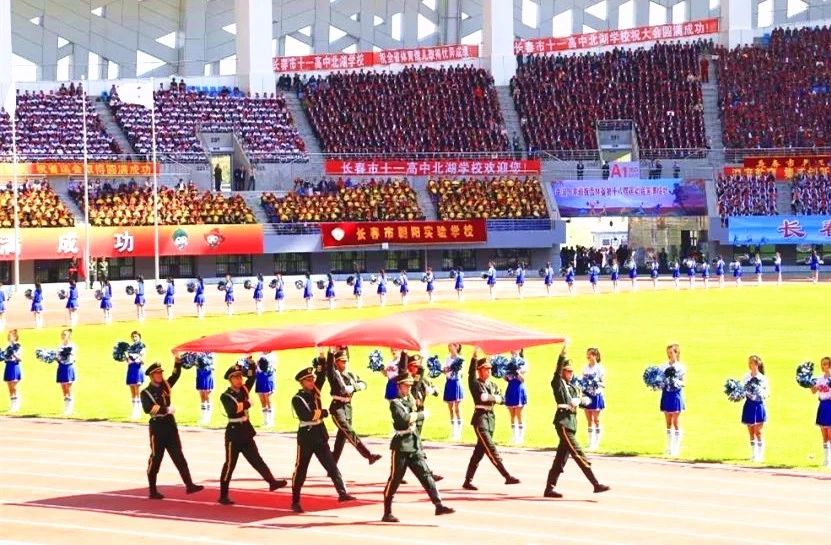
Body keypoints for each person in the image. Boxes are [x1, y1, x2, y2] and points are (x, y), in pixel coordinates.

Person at [382, 372, 455, 523]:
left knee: (426, 475)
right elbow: (405, 418)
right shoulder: (395, 403)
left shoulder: (410, 400)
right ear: (399, 386)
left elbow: (413, 413)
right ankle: (387, 512)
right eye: (405, 385)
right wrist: (421, 415)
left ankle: (438, 505)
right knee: (395, 479)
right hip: (401, 446)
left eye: (410, 386)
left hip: (414, 444)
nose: (408, 388)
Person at [544, 345, 610, 498]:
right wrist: (562, 355)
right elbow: (556, 373)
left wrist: (583, 400)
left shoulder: (573, 387)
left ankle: (549, 488)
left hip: (571, 423)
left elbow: (579, 399)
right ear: (562, 372)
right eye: (567, 371)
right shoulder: (558, 383)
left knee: (560, 459)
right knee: (578, 453)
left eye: (571, 371)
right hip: (563, 423)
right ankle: (595, 484)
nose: (570, 374)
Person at [217, 363, 287, 505]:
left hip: (245, 431)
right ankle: (223, 495)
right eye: (236, 377)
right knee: (229, 465)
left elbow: (252, 378)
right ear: (230, 380)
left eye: (240, 377)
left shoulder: (243, 390)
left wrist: (251, 364)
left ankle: (271, 482)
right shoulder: (226, 396)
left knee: (257, 460)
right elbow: (233, 410)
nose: (239, 380)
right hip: (234, 434)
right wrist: (247, 404)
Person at [290, 366, 355, 513]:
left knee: (331, 465)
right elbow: (306, 415)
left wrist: (322, 361)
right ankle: (295, 501)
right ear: (302, 382)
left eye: (312, 379)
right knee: (301, 470)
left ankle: (342, 493)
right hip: (307, 437)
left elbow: (321, 377)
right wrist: (323, 412)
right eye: (308, 380)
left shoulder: (315, 392)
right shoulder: (298, 398)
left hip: (319, 434)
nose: (312, 382)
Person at [140, 360, 204, 500]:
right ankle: (152, 490)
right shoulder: (146, 392)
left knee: (179, 457)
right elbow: (148, 408)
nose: (160, 375)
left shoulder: (165, 386)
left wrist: (177, 361)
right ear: (151, 376)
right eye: (157, 373)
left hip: (170, 425)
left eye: (160, 373)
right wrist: (165, 409)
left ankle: (189, 485)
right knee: (156, 458)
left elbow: (175, 375)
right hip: (157, 427)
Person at [463, 351, 520, 490]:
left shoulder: (493, 385)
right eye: (485, 369)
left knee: (478, 453)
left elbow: (503, 399)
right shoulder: (475, 383)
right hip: (480, 420)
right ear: (479, 370)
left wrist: (490, 397)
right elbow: (472, 376)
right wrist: (474, 357)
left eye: (489, 369)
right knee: (491, 449)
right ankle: (507, 476)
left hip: (490, 420)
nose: (488, 371)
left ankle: (467, 481)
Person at [325, 349, 382, 465]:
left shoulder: (351, 375)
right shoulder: (333, 374)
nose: (345, 364)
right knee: (349, 432)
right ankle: (368, 455)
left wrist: (353, 387)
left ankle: (332, 466)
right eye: (342, 361)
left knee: (341, 440)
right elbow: (329, 366)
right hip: (337, 408)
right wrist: (330, 352)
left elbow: (363, 384)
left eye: (346, 361)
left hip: (348, 408)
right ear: (336, 362)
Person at [404, 353, 443, 480]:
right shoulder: (407, 380)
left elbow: (436, 392)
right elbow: (416, 383)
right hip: (410, 417)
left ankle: (397, 474)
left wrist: (432, 390)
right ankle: (428, 474)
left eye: (418, 366)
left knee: (409, 448)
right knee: (416, 445)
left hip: (420, 415)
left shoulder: (423, 380)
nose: (416, 368)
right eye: (414, 366)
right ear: (409, 367)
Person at [741, 355, 769, 462]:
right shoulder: (746, 377)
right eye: (749, 362)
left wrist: (759, 394)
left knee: (758, 431)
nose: (750, 365)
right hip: (749, 404)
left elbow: (767, 393)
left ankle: (760, 455)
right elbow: (742, 390)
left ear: (757, 364)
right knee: (751, 431)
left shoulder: (762, 378)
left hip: (758, 405)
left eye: (752, 363)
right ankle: (753, 454)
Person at [661, 344, 686, 457]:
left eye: (671, 352)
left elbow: (683, 382)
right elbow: (660, 381)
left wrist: (675, 382)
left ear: (676, 353)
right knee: (668, 422)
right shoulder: (663, 366)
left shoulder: (680, 367)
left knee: (675, 421)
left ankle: (676, 448)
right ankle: (669, 447)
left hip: (676, 394)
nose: (669, 354)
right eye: (668, 352)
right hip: (666, 394)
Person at [582, 348, 606, 452]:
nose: (588, 356)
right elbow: (582, 381)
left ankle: (596, 443)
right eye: (587, 354)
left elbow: (603, 383)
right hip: (587, 395)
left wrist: (595, 382)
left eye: (590, 355)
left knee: (596, 420)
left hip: (596, 395)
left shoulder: (599, 368)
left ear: (595, 356)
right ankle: (590, 442)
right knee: (589, 420)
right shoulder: (585, 368)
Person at [809, 357, 831, 467]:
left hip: (830, 405)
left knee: (830, 434)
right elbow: (814, 391)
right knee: (824, 435)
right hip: (822, 405)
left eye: (826, 364)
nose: (823, 366)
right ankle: (826, 459)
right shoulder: (820, 379)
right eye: (822, 364)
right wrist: (808, 383)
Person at [505, 350, 528, 446]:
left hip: (519, 389)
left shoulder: (522, 362)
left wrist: (517, 372)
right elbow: (506, 379)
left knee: (519, 414)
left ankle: (520, 437)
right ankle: (514, 436)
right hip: (511, 388)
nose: (514, 351)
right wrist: (505, 374)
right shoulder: (508, 362)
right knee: (512, 415)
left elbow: (523, 380)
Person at [443, 343, 465, 441]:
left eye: (452, 345)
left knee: (457, 409)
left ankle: (459, 430)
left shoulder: (460, 359)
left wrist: (450, 369)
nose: (449, 347)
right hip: (449, 383)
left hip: (456, 383)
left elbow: (460, 371)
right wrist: (444, 370)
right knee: (450, 409)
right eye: (449, 345)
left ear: (457, 347)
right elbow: (445, 370)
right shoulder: (447, 358)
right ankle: (453, 430)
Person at [125, 331, 147, 420]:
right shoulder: (129, 348)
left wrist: (138, 359)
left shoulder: (142, 347)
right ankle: (134, 411)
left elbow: (143, 361)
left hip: (138, 370)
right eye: (133, 336)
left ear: (139, 337)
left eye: (136, 336)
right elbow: (127, 360)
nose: (134, 338)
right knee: (132, 391)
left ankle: (138, 411)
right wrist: (126, 359)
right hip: (131, 369)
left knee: (137, 390)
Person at [54, 329, 76, 416]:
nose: (63, 336)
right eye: (62, 335)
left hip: (68, 367)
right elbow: (58, 358)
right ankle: (66, 407)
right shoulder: (59, 346)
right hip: (61, 367)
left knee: (68, 387)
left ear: (69, 336)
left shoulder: (72, 346)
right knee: (63, 388)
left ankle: (70, 408)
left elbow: (72, 358)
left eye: (65, 335)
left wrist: (66, 354)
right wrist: (54, 358)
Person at [254, 353, 276, 428]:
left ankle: (271, 421)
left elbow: (272, 369)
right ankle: (265, 421)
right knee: (262, 401)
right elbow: (256, 367)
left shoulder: (272, 355)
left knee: (268, 399)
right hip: (260, 380)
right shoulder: (260, 354)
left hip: (267, 379)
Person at [3, 329, 21, 413]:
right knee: (9, 386)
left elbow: (20, 359)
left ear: (15, 337)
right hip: (8, 366)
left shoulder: (18, 346)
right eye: (9, 336)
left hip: (14, 366)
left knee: (14, 386)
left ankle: (16, 403)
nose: (10, 337)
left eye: (12, 336)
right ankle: (12, 403)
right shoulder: (7, 347)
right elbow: (5, 357)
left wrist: (13, 354)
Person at [196, 354, 214, 425]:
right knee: (202, 396)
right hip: (200, 374)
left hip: (207, 375)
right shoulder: (198, 352)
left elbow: (209, 362)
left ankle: (208, 416)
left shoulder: (210, 353)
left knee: (207, 396)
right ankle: (203, 415)